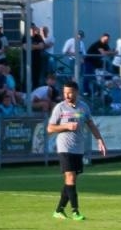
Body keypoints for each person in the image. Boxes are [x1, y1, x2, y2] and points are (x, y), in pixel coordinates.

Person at [46, 79, 107, 221]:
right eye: (65, 93)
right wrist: (66, 127)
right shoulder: (60, 108)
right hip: (64, 147)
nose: (67, 96)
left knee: (70, 181)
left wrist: (99, 139)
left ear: (76, 92)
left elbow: (90, 123)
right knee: (70, 177)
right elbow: (50, 128)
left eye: (70, 93)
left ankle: (59, 210)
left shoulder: (83, 108)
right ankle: (75, 211)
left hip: (78, 148)